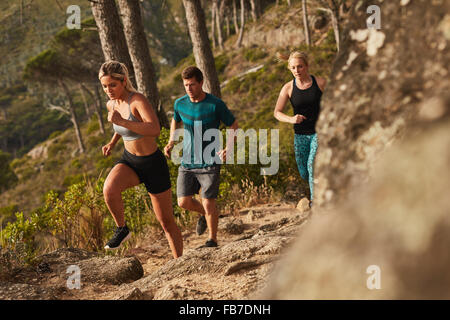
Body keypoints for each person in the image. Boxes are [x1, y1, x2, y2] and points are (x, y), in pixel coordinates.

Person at [99, 61, 182, 258]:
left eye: (113, 85)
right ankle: (122, 229)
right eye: (104, 86)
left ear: (124, 81)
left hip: (153, 164)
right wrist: (112, 142)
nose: (108, 90)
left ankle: (180, 262)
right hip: (130, 161)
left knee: (166, 222)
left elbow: (154, 129)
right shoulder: (111, 104)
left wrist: (122, 121)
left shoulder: (137, 100)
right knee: (109, 190)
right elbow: (122, 128)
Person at [164, 66, 238, 248]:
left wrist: (228, 148)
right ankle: (205, 215)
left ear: (201, 83)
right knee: (183, 202)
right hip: (188, 160)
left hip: (210, 159)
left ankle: (212, 240)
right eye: (185, 85)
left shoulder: (215, 105)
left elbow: (233, 125)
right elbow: (176, 119)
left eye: (192, 85)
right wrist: (171, 140)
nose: (188, 88)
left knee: (208, 201)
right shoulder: (180, 103)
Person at [273, 51, 326, 207]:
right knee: (304, 172)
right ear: (290, 69)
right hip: (300, 135)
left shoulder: (321, 83)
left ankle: (315, 202)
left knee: (311, 165)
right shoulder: (288, 88)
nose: (297, 70)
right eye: (294, 68)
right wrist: (291, 119)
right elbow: (277, 112)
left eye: (300, 66)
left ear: (307, 66)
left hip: (319, 132)